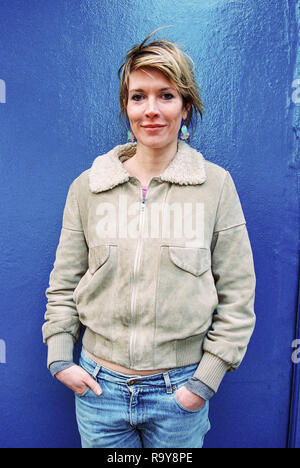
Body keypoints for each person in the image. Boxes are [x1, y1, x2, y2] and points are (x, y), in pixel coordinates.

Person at [42, 28, 256, 449]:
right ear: (126, 107)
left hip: (179, 392)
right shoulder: (88, 187)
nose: (151, 110)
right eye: (138, 96)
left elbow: (237, 292)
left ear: (186, 107)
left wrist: (203, 383)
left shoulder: (215, 186)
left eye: (166, 95)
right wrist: (60, 357)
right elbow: (64, 282)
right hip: (98, 389)